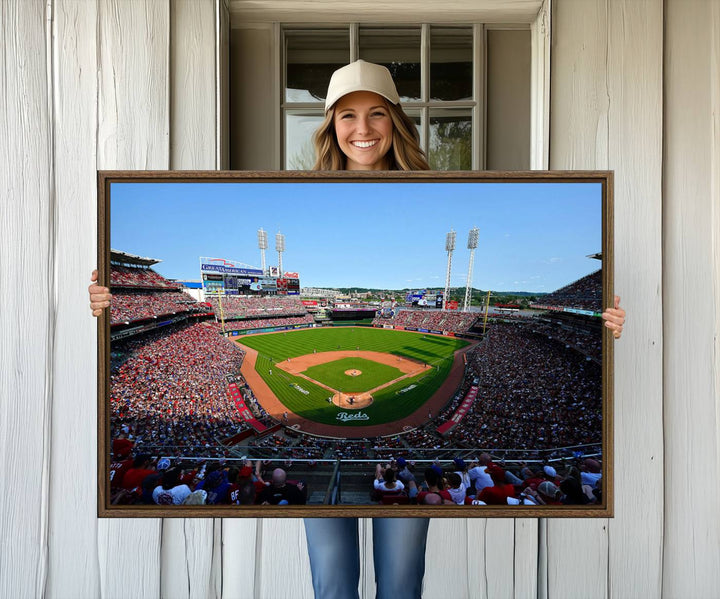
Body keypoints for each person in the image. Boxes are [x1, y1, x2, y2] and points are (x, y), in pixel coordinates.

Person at [89, 59, 626, 599]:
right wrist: (109, 300)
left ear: (396, 120)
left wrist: (603, 321)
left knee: (399, 581)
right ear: (330, 125)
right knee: (332, 581)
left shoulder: (436, 186)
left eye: (376, 114)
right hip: (397, 464)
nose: (362, 129)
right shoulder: (303, 187)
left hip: (408, 464)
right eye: (347, 115)